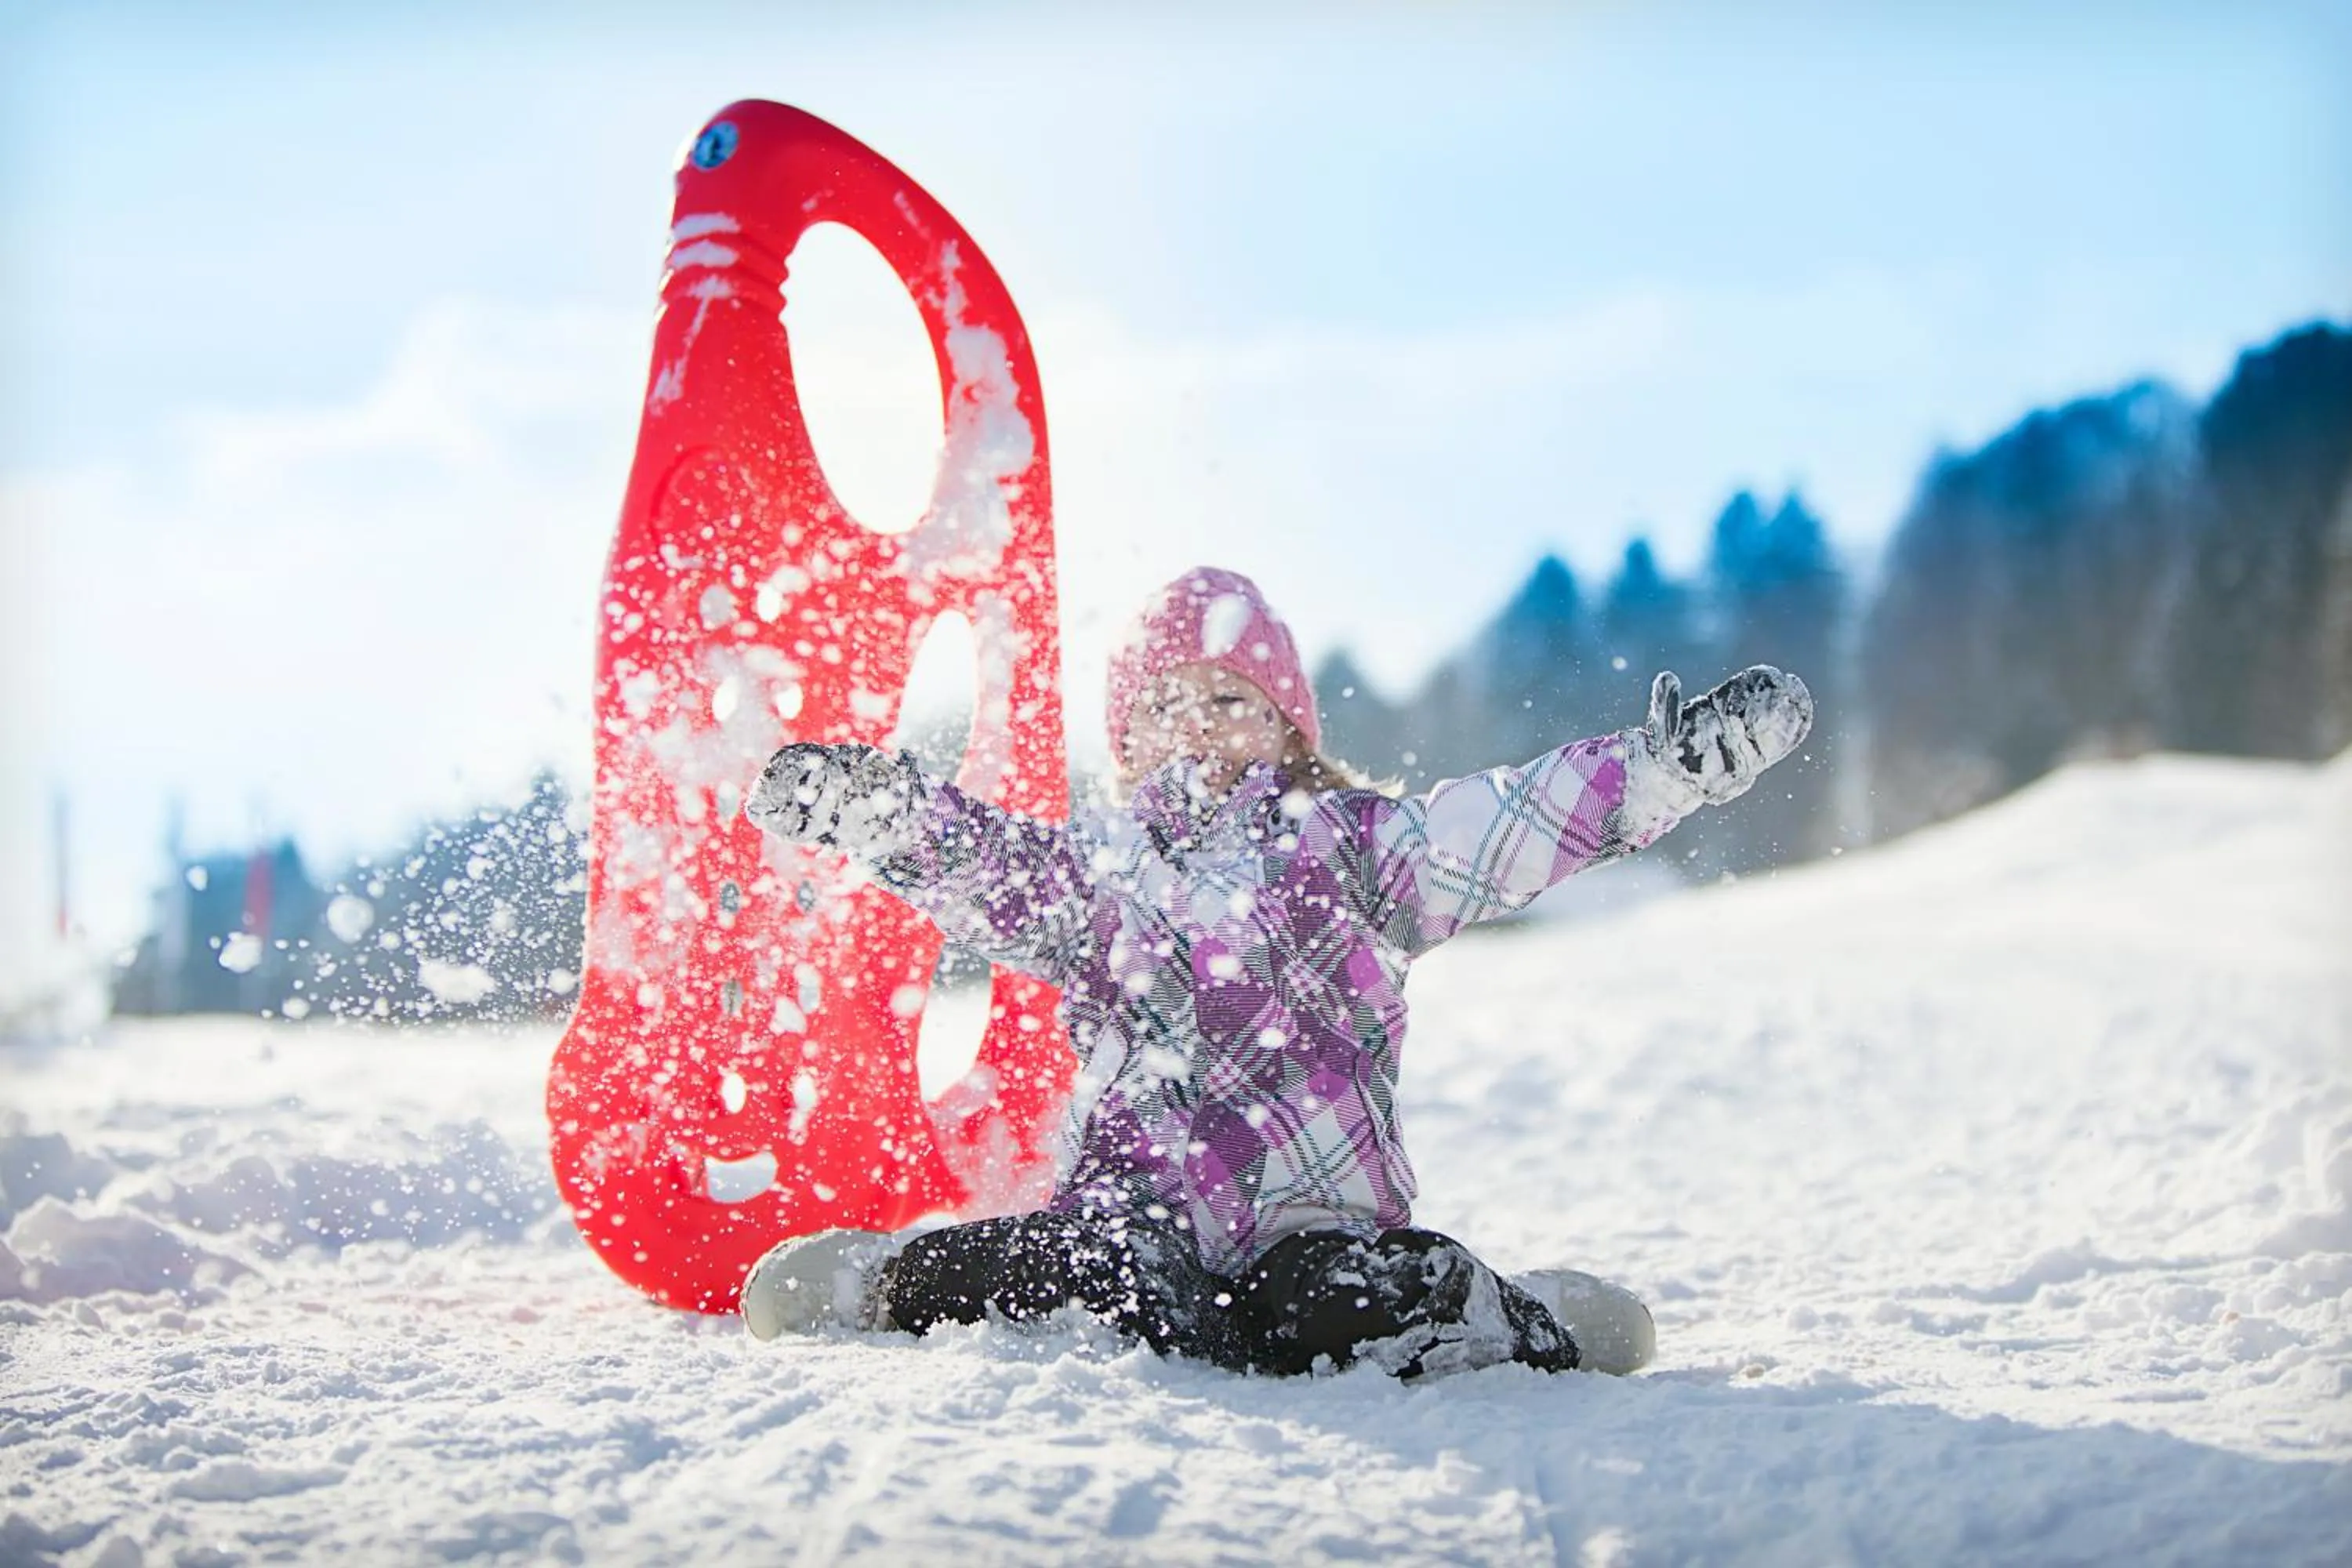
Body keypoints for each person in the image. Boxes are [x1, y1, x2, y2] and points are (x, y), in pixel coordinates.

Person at [739, 566, 1813, 1378]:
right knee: (1092, 1276)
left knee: (1344, 1303)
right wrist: (882, 812)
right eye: (1166, 705)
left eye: (1229, 702)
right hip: (1133, 1215)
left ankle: (1532, 1321)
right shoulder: (1099, 872)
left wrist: (1657, 773)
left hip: (1317, 1223)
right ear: (1127, 742)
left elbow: (1498, 830)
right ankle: (880, 1283)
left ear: (1286, 724)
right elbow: (989, 866)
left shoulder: (1355, 849)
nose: (1198, 729)